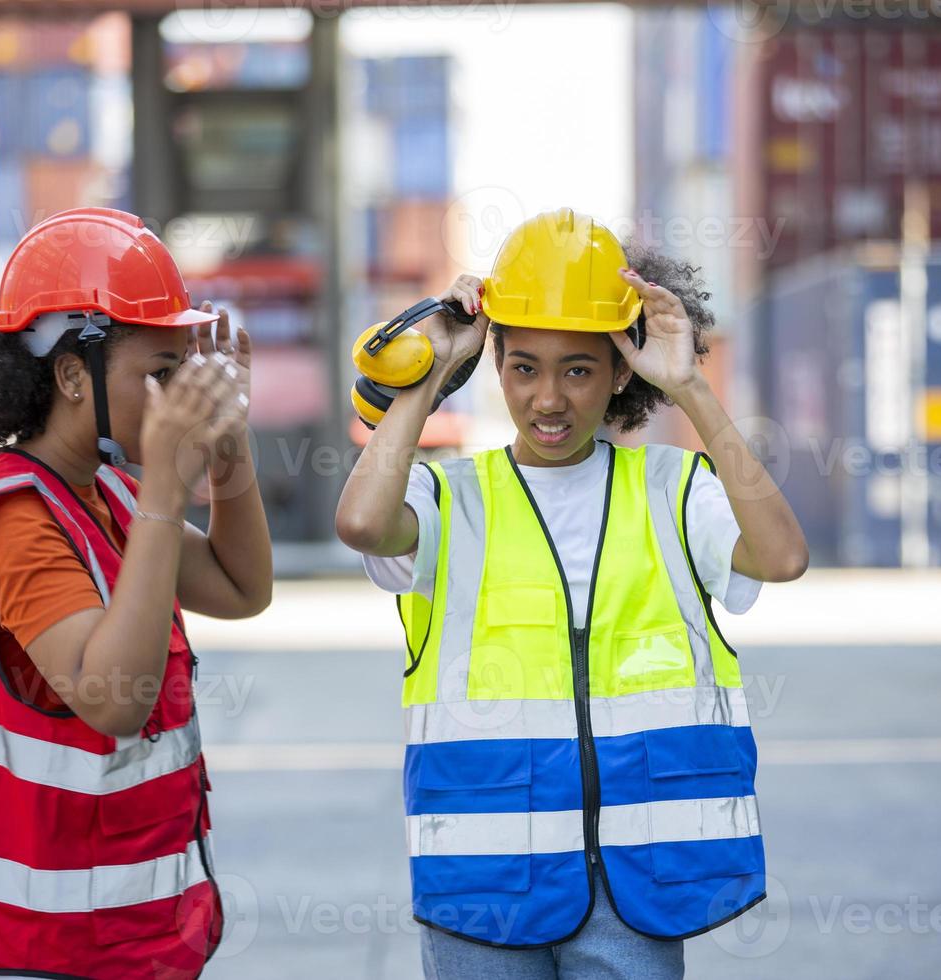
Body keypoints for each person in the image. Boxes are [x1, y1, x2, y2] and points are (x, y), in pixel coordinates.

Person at [335, 208, 808, 978]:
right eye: (523, 367)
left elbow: (782, 556)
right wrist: (428, 377)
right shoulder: (450, 497)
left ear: (622, 370)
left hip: (634, 888)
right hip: (484, 891)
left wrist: (689, 388)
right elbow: (360, 522)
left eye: (577, 369)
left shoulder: (673, 489)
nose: (548, 398)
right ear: (495, 366)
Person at [0, 207, 273, 980]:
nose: (181, 395)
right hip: (31, 948)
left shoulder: (105, 491)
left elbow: (244, 588)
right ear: (73, 376)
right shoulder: (15, 514)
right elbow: (115, 700)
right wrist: (168, 488)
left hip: (127, 942)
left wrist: (227, 440)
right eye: (160, 373)